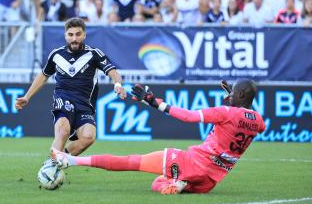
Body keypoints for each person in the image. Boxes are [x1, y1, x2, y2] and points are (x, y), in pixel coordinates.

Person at [52, 79, 265, 195]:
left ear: (242, 95)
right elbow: (244, 117)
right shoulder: (258, 122)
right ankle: (178, 183)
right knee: (157, 183)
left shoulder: (225, 112)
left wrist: (153, 101)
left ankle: (71, 160)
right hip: (209, 181)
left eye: (236, 92)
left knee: (132, 161)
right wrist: (232, 98)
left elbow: (189, 117)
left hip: (192, 163)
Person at [15, 18, 126, 163]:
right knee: (63, 131)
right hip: (63, 98)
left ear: (84, 35)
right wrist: (27, 96)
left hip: (85, 105)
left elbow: (113, 72)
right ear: (65, 35)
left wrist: (118, 85)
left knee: (88, 138)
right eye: (71, 34)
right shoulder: (56, 55)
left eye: (78, 34)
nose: (74, 38)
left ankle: (58, 159)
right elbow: (43, 76)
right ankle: (50, 168)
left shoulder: (94, 54)